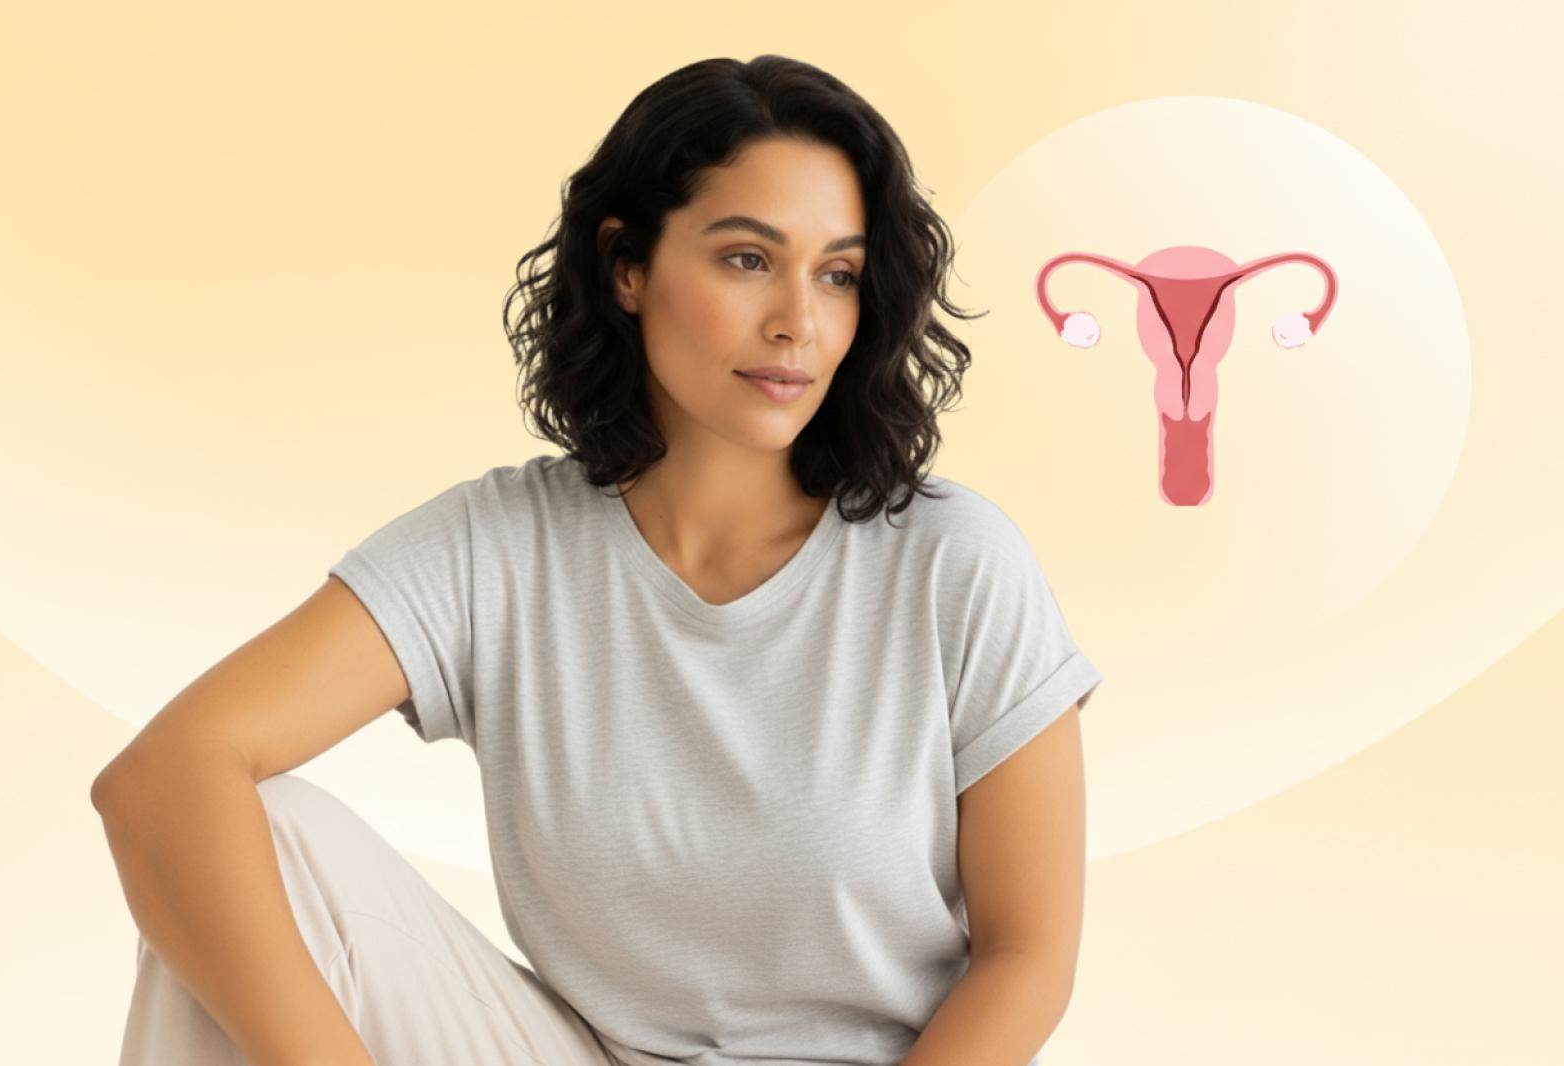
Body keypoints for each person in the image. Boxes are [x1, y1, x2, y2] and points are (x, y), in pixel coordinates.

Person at [92, 53, 1102, 1066]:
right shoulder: (502, 547)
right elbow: (161, 777)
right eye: (747, 259)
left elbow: (1027, 957)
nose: (798, 319)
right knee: (243, 840)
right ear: (627, 265)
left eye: (836, 273)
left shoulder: (951, 563)